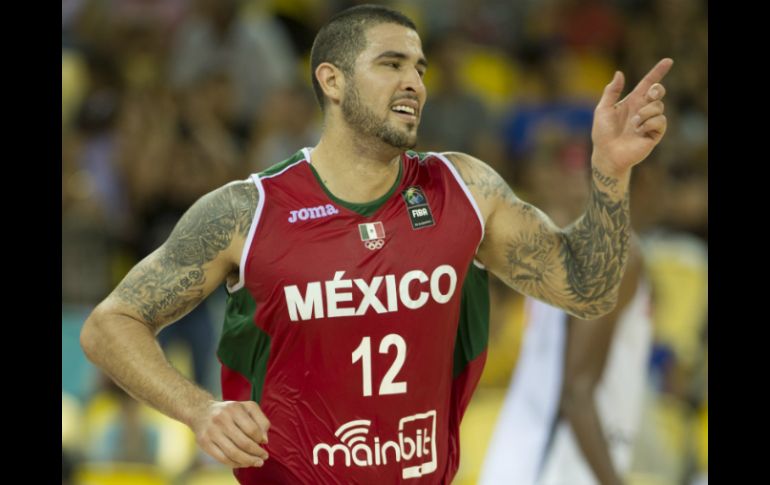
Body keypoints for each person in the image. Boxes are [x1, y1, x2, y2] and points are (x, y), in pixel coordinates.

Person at [80, 4, 672, 483]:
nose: (414, 82)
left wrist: (610, 172)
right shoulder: (247, 212)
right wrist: (199, 409)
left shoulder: (464, 189)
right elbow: (109, 325)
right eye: (391, 64)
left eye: (420, 68)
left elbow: (589, 290)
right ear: (331, 80)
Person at [480, 237, 651, 485]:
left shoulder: (548, 242)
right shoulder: (613, 256)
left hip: (520, 453)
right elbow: (576, 393)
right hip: (562, 461)